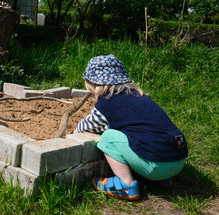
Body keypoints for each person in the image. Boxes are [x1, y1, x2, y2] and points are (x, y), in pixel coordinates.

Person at [74, 54, 188, 201]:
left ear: (95, 86)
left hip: (157, 166)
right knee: (141, 135)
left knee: (108, 137)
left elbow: (87, 126)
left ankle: (126, 185)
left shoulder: (107, 102)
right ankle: (161, 180)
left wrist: (74, 131)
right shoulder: (139, 96)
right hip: (178, 160)